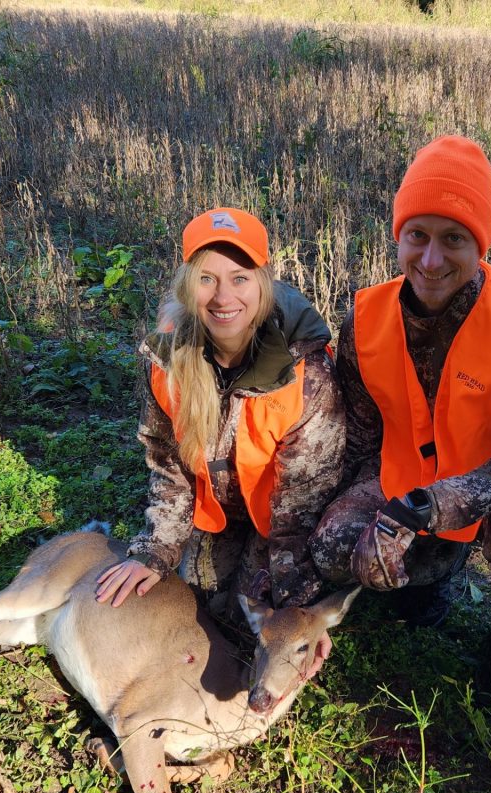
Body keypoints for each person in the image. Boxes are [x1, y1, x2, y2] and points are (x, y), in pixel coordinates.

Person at [309, 136, 491, 671]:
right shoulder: (365, 318)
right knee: (334, 545)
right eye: (417, 236)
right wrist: (365, 525)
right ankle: (429, 578)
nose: (431, 260)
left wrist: (430, 506)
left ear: (481, 246)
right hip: (402, 487)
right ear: (398, 237)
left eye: (454, 238)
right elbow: (358, 439)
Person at [97, 208, 345, 670]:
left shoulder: (305, 374)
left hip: (280, 520)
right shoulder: (169, 360)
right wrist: (154, 549)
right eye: (207, 279)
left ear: (262, 284)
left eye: (239, 278)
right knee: (198, 592)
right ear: (187, 285)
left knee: (242, 616)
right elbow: (168, 467)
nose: (223, 297)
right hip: (219, 512)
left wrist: (299, 615)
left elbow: (306, 503)